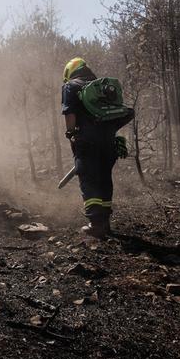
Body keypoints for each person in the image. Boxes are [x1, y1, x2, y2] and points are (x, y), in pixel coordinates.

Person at [61, 57, 134, 238]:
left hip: (86, 142)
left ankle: (96, 225)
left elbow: (69, 112)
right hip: (109, 143)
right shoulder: (101, 89)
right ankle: (105, 224)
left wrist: (71, 134)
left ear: (70, 72)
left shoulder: (71, 86)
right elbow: (118, 114)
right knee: (104, 179)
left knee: (89, 180)